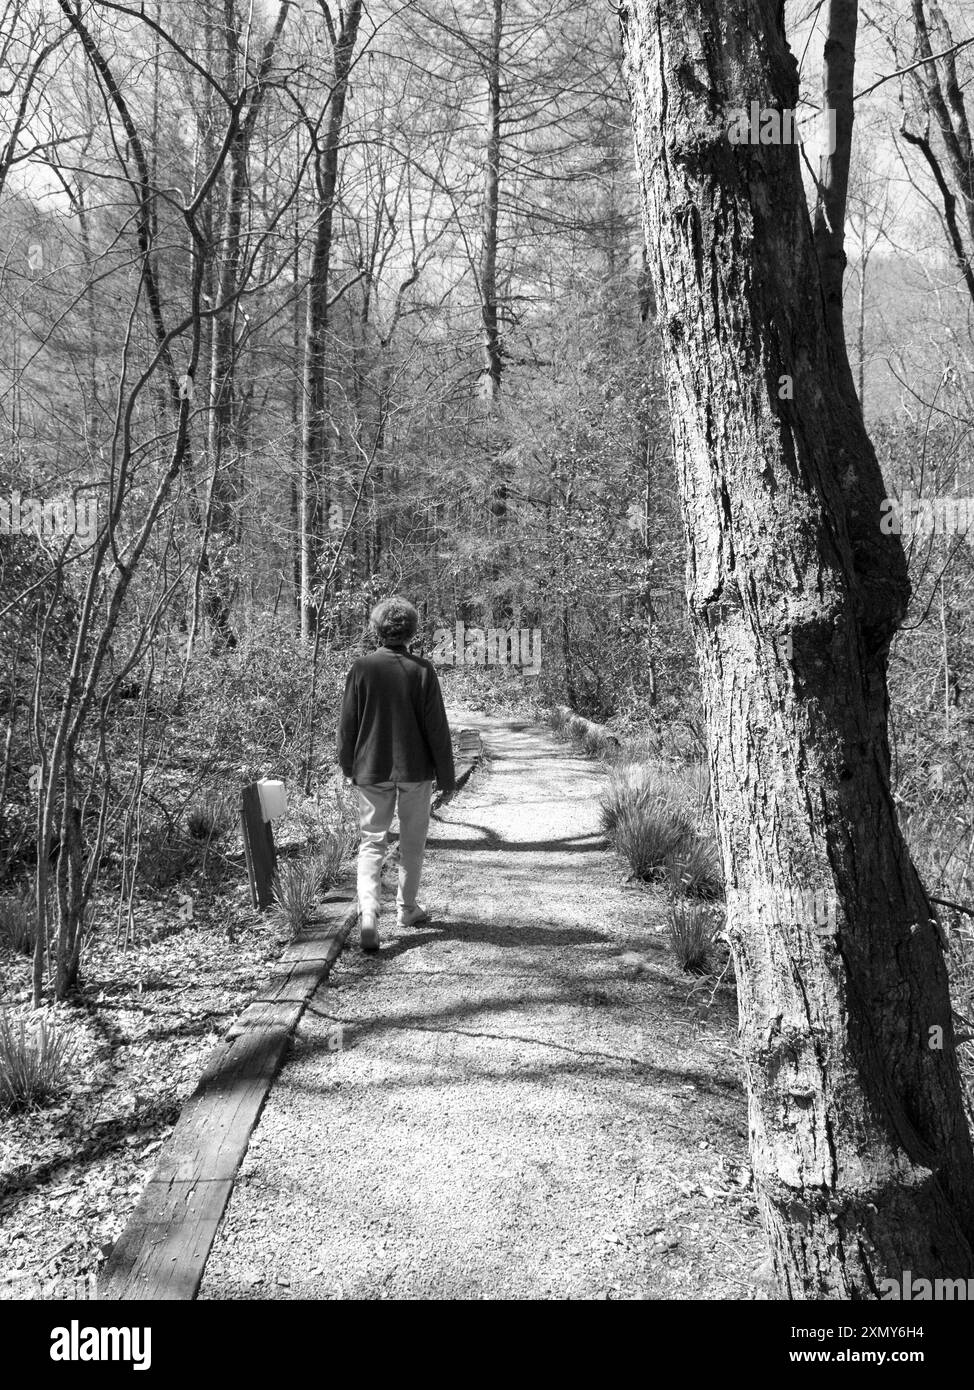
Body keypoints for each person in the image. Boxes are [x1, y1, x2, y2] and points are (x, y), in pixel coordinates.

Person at [337, 596, 456, 951]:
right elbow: (437, 728)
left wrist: (347, 765)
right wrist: (447, 777)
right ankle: (407, 909)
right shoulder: (422, 670)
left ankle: (369, 913)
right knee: (412, 842)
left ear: (377, 628)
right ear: (411, 630)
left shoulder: (362, 668)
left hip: (371, 769)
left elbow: (348, 725)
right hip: (415, 770)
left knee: (372, 842)